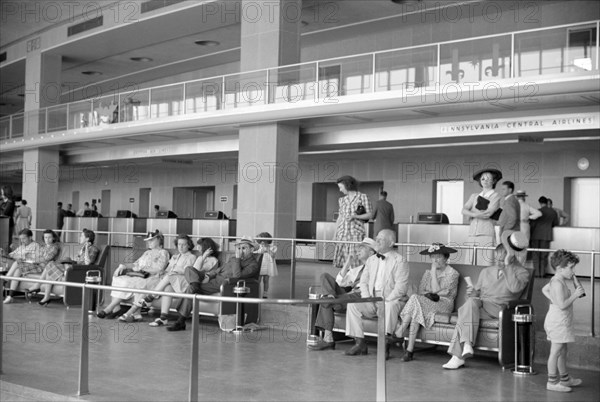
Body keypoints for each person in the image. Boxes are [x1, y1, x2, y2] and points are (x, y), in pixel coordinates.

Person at [442, 234, 530, 369]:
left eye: (502, 260)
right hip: (482, 306)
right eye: (496, 259)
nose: (498, 262)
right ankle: (466, 345)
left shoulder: (521, 272)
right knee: (470, 304)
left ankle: (457, 356)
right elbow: (477, 294)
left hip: (501, 310)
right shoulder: (486, 271)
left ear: (511, 258)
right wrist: (473, 293)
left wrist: (508, 267)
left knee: (465, 314)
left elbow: (514, 288)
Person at [166, 236, 260, 331]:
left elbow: (237, 276)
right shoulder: (232, 259)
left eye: (244, 248)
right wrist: (208, 276)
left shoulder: (253, 265)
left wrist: (237, 259)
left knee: (190, 288)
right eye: (239, 248)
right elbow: (219, 270)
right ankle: (195, 284)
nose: (240, 251)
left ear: (252, 249)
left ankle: (180, 321)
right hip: (211, 279)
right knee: (189, 269)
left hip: (222, 285)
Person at [345, 229, 409, 358]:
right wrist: (368, 299)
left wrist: (384, 301)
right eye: (377, 238)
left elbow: (401, 288)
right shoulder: (372, 260)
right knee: (352, 305)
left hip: (392, 298)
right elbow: (363, 282)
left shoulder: (400, 260)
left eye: (381, 239)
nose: (377, 241)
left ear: (391, 243)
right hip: (372, 298)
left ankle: (384, 346)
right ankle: (360, 343)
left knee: (390, 306)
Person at [308, 237, 377, 351]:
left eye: (362, 248)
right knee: (325, 276)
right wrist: (347, 263)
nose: (358, 251)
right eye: (358, 248)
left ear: (371, 252)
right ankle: (330, 297)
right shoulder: (357, 269)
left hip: (360, 296)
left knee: (325, 301)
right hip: (348, 294)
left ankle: (328, 339)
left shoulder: (377, 267)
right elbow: (340, 281)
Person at [394, 243, 459, 362]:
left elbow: (437, 292)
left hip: (444, 304)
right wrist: (437, 291)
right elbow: (421, 291)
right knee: (416, 310)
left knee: (415, 300)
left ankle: (401, 329)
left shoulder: (453, 274)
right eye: (433, 257)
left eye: (438, 257)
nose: (435, 260)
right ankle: (409, 350)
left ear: (446, 258)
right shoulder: (427, 272)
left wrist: (433, 274)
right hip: (426, 301)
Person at [119, 234, 196, 326]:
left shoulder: (191, 257)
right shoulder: (176, 256)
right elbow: (168, 269)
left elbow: (187, 271)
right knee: (167, 289)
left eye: (184, 244)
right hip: (171, 281)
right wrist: (163, 272)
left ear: (189, 245)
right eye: (179, 244)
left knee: (166, 277)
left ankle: (149, 298)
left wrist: (171, 272)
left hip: (182, 281)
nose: (181, 247)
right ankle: (163, 318)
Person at [97, 230, 170, 319]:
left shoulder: (163, 252)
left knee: (131, 283)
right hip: (141, 275)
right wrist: (123, 266)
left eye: (151, 240)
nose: (148, 243)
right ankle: (116, 308)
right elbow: (136, 264)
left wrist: (142, 269)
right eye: (148, 241)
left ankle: (110, 308)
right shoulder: (147, 253)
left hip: (152, 278)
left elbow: (159, 269)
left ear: (159, 240)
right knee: (119, 278)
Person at [542, 250, 584, 393]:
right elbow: (562, 305)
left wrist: (553, 299)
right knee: (555, 351)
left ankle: (564, 378)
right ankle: (552, 382)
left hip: (561, 321)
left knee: (562, 349)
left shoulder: (557, 280)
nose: (573, 271)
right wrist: (575, 295)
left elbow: (544, 289)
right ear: (560, 268)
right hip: (557, 322)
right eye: (571, 267)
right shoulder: (558, 283)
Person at [38, 228, 100, 305]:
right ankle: (46, 296)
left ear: (87, 239)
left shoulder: (94, 249)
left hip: (79, 270)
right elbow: (78, 260)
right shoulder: (82, 248)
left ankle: (45, 295)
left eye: (81, 236)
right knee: (51, 264)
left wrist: (86, 248)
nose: (79, 238)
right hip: (72, 267)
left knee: (50, 269)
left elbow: (87, 263)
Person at [462, 168, 502, 266]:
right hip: (472, 234)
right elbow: (463, 210)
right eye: (483, 179)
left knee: (485, 263)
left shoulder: (495, 196)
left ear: (494, 181)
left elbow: (487, 214)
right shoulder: (474, 196)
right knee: (470, 263)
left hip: (486, 234)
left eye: (488, 178)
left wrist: (471, 212)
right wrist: (476, 214)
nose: (485, 181)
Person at [333, 175, 373, 269]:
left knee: (355, 261)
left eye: (341, 187)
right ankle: (345, 283)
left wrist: (355, 216)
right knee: (343, 263)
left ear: (347, 185)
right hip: (342, 235)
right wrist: (335, 235)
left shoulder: (362, 197)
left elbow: (370, 215)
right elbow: (340, 218)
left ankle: (356, 283)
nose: (340, 190)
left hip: (356, 235)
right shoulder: (342, 200)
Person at [2, 229, 50, 304]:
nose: (22, 240)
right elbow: (11, 255)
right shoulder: (22, 247)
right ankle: (10, 296)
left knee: (17, 263)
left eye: (24, 238)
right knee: (18, 270)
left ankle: (6, 279)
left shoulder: (35, 245)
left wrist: (23, 258)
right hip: (26, 265)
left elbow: (37, 259)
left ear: (30, 237)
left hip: (38, 266)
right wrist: (4, 253)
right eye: (20, 239)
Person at [18, 230, 62, 300]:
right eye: (45, 237)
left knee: (21, 265)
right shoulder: (43, 247)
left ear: (53, 238)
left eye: (49, 237)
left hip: (45, 266)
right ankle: (8, 284)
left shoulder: (54, 247)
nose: (47, 239)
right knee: (18, 263)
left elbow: (47, 258)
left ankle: (37, 286)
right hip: (39, 264)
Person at [530, 196, 559, 278]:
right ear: (547, 202)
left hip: (535, 235)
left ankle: (537, 273)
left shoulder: (538, 211)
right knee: (544, 255)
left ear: (540, 203)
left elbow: (532, 224)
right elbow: (555, 223)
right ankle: (542, 273)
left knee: (536, 255)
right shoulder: (553, 212)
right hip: (547, 235)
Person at [255, 232, 277, 298]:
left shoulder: (273, 247)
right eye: (261, 241)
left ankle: (265, 293)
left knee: (266, 280)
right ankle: (257, 292)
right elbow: (256, 253)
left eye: (264, 240)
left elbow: (273, 255)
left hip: (268, 265)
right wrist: (261, 249)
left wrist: (267, 249)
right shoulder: (259, 247)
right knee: (258, 280)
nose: (262, 242)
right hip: (260, 265)